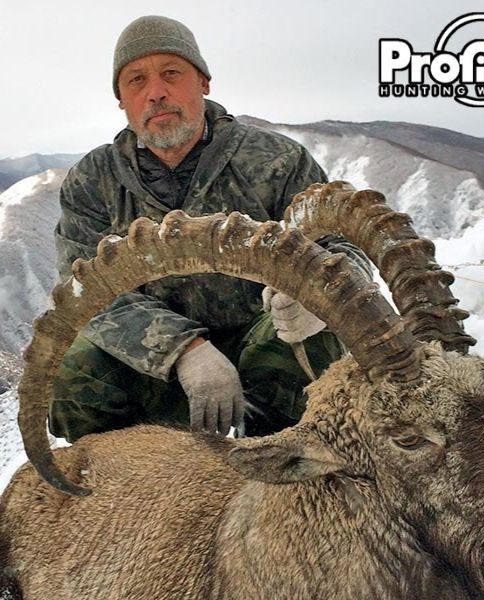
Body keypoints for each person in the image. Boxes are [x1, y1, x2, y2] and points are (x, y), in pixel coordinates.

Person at [49, 15, 371, 443]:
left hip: (264, 343)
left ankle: (292, 465)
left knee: (312, 341)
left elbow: (340, 246)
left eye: (171, 73)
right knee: (74, 371)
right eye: (136, 80)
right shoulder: (93, 180)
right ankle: (126, 478)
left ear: (203, 82)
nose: (155, 92)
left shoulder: (278, 161)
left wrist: (317, 299)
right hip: (156, 366)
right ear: (121, 100)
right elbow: (84, 288)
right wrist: (182, 349)